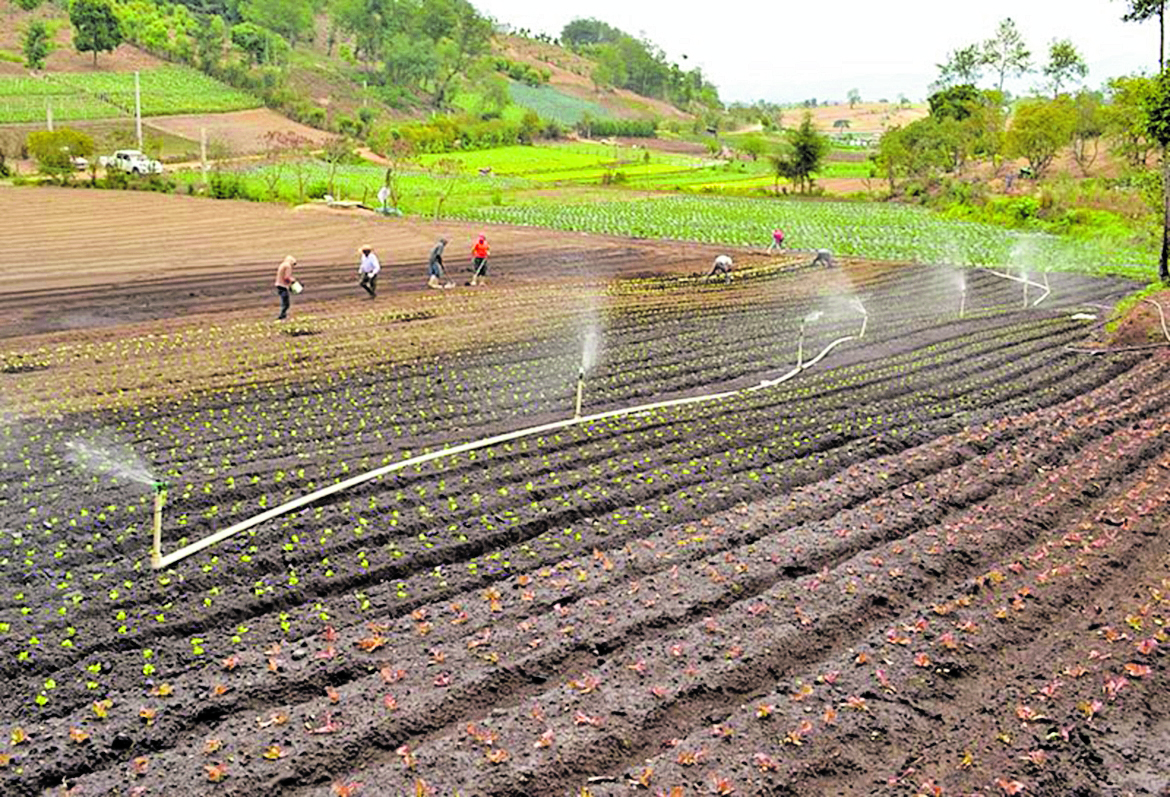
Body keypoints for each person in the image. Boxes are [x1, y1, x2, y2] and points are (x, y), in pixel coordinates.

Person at [274, 255, 297, 320]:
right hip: (283, 285)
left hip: (278, 284)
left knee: (284, 301)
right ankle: (282, 316)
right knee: (286, 303)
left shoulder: (282, 265)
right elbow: (287, 277)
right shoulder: (288, 266)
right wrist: (293, 281)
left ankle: (283, 315)